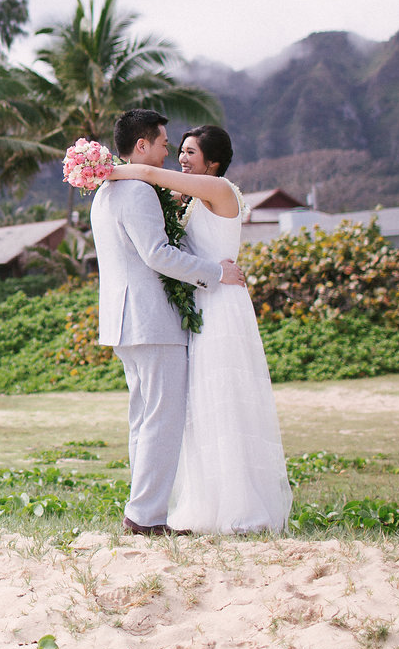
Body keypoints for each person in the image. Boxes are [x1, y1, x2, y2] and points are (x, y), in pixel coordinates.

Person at [107, 123, 293, 534]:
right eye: (181, 151)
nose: (183, 159)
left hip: (222, 301)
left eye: (191, 153)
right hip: (198, 304)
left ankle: (242, 508)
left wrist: (103, 169)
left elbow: (151, 174)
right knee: (199, 409)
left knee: (225, 402)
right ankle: (207, 504)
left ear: (215, 163)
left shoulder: (221, 189)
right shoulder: (189, 199)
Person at [87, 109, 247, 536]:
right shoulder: (136, 191)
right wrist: (216, 273)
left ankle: (142, 512)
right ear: (141, 146)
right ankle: (145, 518)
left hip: (125, 321)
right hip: (151, 320)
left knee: (144, 420)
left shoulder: (106, 191)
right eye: (162, 143)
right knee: (160, 420)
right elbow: (157, 254)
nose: (168, 152)